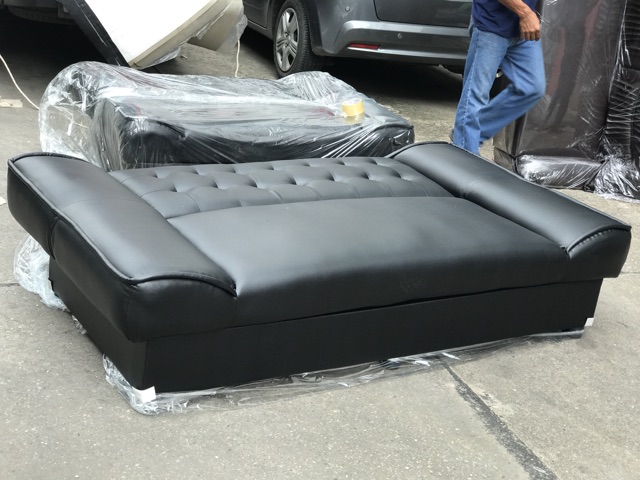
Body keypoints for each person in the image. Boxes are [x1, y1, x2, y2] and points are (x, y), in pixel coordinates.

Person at [452, 0, 546, 155]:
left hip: (522, 29)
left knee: (532, 87)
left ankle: (467, 135)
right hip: (492, 25)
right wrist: (526, 14)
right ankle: (464, 152)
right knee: (476, 95)